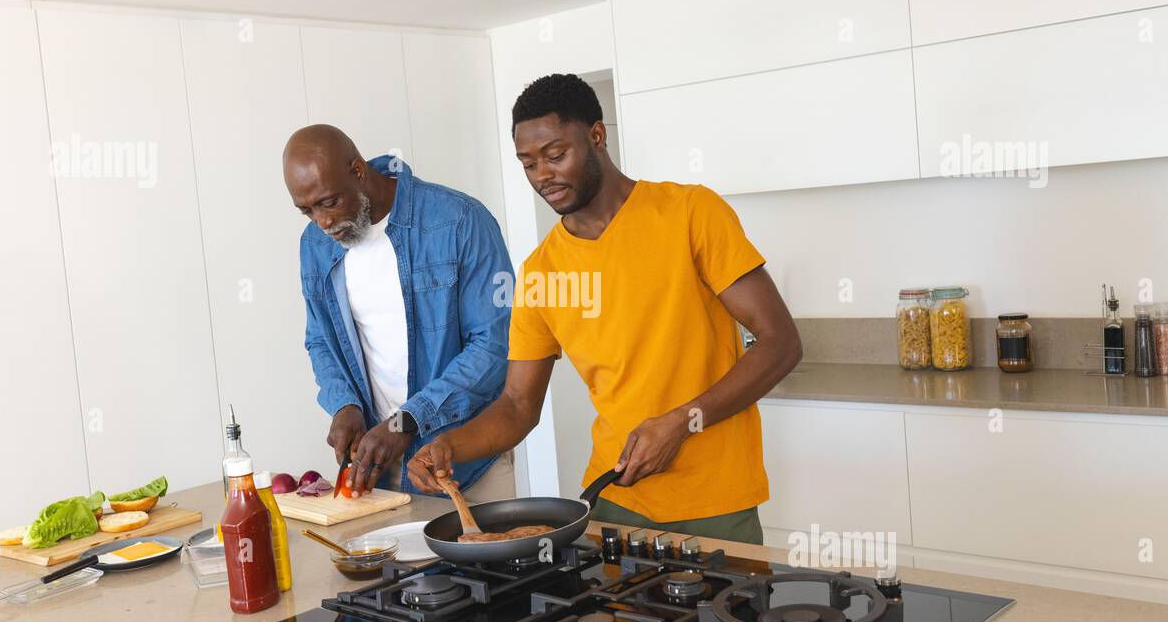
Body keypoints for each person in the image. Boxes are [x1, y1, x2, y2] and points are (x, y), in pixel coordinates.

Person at [407, 74, 801, 542]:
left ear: (597, 136)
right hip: (614, 498)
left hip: (715, 502)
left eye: (555, 155)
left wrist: (681, 422)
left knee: (725, 617)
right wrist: (450, 444)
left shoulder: (690, 212)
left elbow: (780, 343)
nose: (542, 176)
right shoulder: (541, 274)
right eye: (528, 164)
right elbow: (517, 405)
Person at [284, 124, 515, 501]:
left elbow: (494, 345)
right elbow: (320, 340)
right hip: (377, 469)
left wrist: (408, 420)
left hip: (466, 467)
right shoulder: (315, 244)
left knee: (485, 561)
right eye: (306, 211)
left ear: (358, 172)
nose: (322, 223)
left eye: (328, 202)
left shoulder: (460, 221)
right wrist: (345, 405)